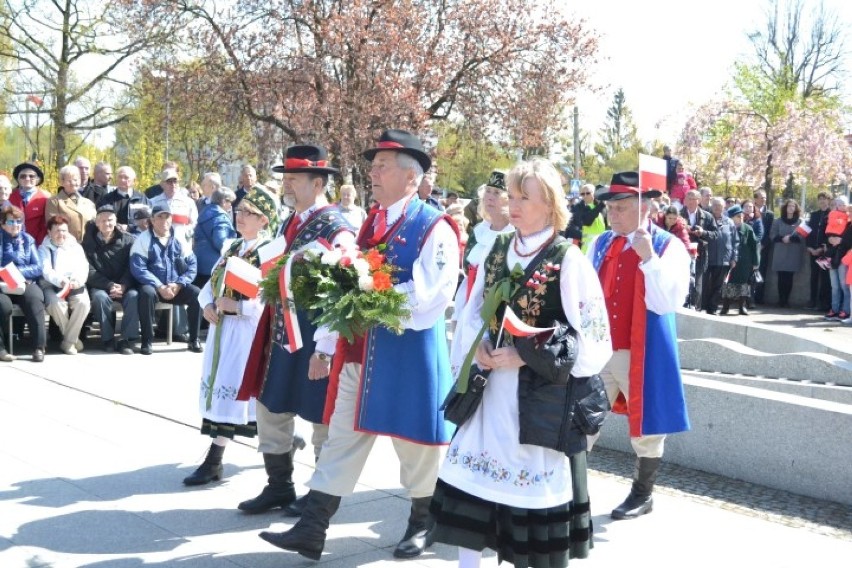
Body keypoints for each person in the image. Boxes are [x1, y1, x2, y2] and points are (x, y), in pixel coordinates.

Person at [259, 129, 459, 560]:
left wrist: (373, 303)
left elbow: (433, 297)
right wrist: (326, 344)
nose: (373, 173)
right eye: (373, 166)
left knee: (415, 446)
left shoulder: (434, 226)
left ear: (411, 176)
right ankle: (312, 528)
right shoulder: (371, 222)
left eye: (382, 166)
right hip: (360, 353)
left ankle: (424, 522)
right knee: (341, 439)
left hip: (408, 355)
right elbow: (343, 288)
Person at [431, 158, 612, 568]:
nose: (512, 205)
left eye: (523, 198)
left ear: (548, 204)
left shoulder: (568, 259)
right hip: (487, 393)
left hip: (534, 405)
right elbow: (471, 309)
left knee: (527, 510)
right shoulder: (496, 249)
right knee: (470, 487)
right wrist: (475, 345)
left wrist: (524, 355)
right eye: (510, 196)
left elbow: (595, 343)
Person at [237, 144, 355, 515]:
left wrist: (326, 348)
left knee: (321, 414)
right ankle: (279, 486)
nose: (287, 185)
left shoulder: (338, 229)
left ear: (318, 183)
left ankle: (320, 498)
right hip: (282, 333)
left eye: (294, 179)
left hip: (316, 335)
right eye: (285, 178)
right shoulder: (291, 221)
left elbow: (345, 287)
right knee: (271, 406)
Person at [588, 171, 690, 522]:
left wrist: (649, 259)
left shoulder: (667, 246)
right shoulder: (599, 243)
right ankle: (568, 490)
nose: (612, 214)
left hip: (642, 352)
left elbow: (669, 302)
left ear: (645, 208)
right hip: (600, 349)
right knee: (581, 419)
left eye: (621, 207)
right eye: (610, 207)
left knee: (647, 428)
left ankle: (642, 494)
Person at [182, 187, 280, 486]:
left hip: (248, 335)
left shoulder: (270, 251)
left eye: (247, 213)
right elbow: (211, 282)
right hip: (222, 331)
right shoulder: (233, 247)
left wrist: (239, 306)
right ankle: (286, 440)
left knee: (244, 395)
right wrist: (208, 304)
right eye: (238, 211)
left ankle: (215, 460)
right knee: (228, 392)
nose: (239, 216)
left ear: (263, 219)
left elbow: (269, 297)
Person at [130, 203, 203, 355]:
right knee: (146, 294)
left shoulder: (179, 238)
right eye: (160, 217)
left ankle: (194, 340)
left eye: (167, 217)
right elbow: (138, 268)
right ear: (152, 220)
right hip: (153, 287)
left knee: (197, 294)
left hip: (175, 286)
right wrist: (159, 286)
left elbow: (192, 265)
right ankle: (147, 341)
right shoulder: (143, 239)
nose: (164, 221)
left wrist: (179, 284)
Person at [83, 205, 139, 354]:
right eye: (102, 220)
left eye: (110, 220)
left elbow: (132, 266)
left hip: (124, 285)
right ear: (96, 223)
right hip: (101, 285)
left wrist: (124, 285)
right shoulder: (88, 242)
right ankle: (107, 339)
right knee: (99, 298)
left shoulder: (129, 240)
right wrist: (109, 285)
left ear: (115, 221)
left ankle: (127, 340)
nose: (106, 223)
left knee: (134, 296)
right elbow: (89, 271)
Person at [455, 170, 513, 314]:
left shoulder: (514, 234)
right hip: (468, 299)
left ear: (508, 200)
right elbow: (466, 267)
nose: (490, 197)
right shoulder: (478, 230)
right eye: (488, 191)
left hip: (496, 306)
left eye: (496, 193)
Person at [38, 215, 91, 354]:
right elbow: (46, 270)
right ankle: (72, 341)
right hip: (52, 284)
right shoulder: (44, 248)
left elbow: (83, 266)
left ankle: (68, 341)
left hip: (74, 284)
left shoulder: (76, 247)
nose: (61, 234)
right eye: (57, 231)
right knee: (55, 304)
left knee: (83, 303)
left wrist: (77, 280)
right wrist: (59, 280)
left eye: (64, 231)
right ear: (49, 232)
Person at [0, 205, 46, 362]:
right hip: (1, 285)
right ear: (2, 223)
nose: (16, 225)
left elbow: (38, 267)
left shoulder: (28, 240)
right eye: (11, 222)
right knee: (2, 305)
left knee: (35, 300)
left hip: (23, 282)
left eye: (19, 221)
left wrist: (17, 273)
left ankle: (39, 347)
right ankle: (1, 347)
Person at [680, 189, 718, 309]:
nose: (691, 202)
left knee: (698, 282)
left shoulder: (707, 216)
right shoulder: (678, 215)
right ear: (685, 200)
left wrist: (703, 232)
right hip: (682, 252)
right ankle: (682, 305)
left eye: (694, 199)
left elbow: (716, 234)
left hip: (700, 253)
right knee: (683, 280)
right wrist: (683, 230)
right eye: (689, 199)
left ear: (699, 200)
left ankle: (695, 307)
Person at [193, 187, 237, 290]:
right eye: (229, 202)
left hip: (199, 263)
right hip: (214, 266)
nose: (231, 205)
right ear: (223, 201)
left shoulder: (204, 213)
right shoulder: (220, 218)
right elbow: (221, 242)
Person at [702, 197, 738, 315]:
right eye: (715, 205)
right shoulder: (706, 219)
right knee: (706, 284)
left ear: (724, 208)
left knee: (719, 285)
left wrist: (734, 257)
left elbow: (735, 241)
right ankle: (702, 306)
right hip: (707, 257)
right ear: (712, 206)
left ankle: (712, 308)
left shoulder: (729, 222)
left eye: (720, 206)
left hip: (724, 259)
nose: (717, 208)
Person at [721, 205, 760, 315]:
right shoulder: (726, 227)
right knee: (728, 284)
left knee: (744, 285)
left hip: (744, 262)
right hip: (729, 261)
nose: (741, 217)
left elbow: (754, 246)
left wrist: (755, 262)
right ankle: (725, 307)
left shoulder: (747, 229)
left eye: (742, 215)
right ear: (732, 217)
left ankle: (742, 306)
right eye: (738, 216)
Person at [769, 199, 806, 308]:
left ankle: (786, 300)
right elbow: (772, 235)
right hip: (780, 252)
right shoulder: (778, 221)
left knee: (789, 277)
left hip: (793, 253)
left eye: (793, 206)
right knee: (781, 277)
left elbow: (802, 237)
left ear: (796, 208)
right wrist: (782, 238)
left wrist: (791, 238)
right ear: (785, 208)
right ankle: (781, 300)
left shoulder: (800, 222)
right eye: (789, 206)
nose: (791, 208)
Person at [45, 165, 97, 243]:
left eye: (76, 180)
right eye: (69, 180)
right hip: (65, 246)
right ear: (62, 182)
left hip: (89, 247)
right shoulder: (55, 201)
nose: (73, 183)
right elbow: (53, 227)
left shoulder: (89, 203)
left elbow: (96, 224)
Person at [149, 168, 197, 246]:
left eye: (175, 181)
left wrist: (186, 233)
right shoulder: (153, 202)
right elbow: (149, 223)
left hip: (182, 243)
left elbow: (194, 223)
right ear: (162, 184)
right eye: (169, 182)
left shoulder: (188, 202)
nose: (173, 185)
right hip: (160, 244)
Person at [96, 166, 151, 233]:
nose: (122, 180)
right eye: (120, 177)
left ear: (134, 180)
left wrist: (129, 228)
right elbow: (99, 220)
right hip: (112, 238)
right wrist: (117, 226)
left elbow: (149, 222)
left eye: (126, 177)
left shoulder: (143, 199)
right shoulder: (106, 199)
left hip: (136, 238)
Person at [9, 162, 51, 245]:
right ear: (18, 179)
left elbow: (45, 226)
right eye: (23, 176)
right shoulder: (9, 198)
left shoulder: (45, 199)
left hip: (36, 244)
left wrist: (37, 244)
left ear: (38, 179)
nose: (27, 179)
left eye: (31, 176)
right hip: (12, 244)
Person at [825, 196, 851, 321]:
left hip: (843, 256)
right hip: (832, 255)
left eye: (843, 204)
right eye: (839, 204)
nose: (841, 206)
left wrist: (841, 240)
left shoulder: (849, 221)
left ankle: (845, 310)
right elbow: (828, 233)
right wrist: (830, 239)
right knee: (834, 286)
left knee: (843, 285)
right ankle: (834, 309)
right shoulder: (833, 216)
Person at [805, 192, 832, 311]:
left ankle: (823, 303)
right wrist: (809, 247)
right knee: (814, 276)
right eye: (820, 199)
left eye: (824, 199)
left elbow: (830, 233)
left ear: (829, 200)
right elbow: (808, 232)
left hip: (825, 252)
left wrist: (821, 248)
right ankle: (812, 301)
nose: (822, 201)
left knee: (825, 277)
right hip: (813, 251)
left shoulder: (831, 214)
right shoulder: (814, 215)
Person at [569, 182, 606, 253]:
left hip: (601, 247)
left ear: (594, 193)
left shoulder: (601, 207)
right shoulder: (579, 207)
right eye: (582, 194)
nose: (585, 196)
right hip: (587, 249)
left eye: (588, 193)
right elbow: (587, 221)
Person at [753, 189, 774, 304]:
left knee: (761, 272)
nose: (764, 200)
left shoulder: (769, 214)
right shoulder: (750, 211)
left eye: (765, 198)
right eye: (761, 197)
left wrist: (763, 245)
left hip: (763, 248)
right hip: (751, 247)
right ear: (755, 199)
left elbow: (769, 232)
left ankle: (758, 298)